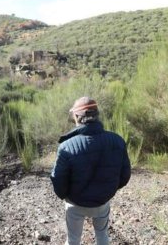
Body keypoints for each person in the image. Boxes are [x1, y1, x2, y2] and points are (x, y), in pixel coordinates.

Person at [51, 96, 131, 245]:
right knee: (102, 234)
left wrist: (66, 196)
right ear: (97, 115)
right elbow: (125, 175)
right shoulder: (117, 140)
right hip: (102, 202)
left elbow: (58, 179)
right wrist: (108, 190)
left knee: (73, 239)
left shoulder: (66, 146)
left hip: (75, 204)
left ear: (77, 117)